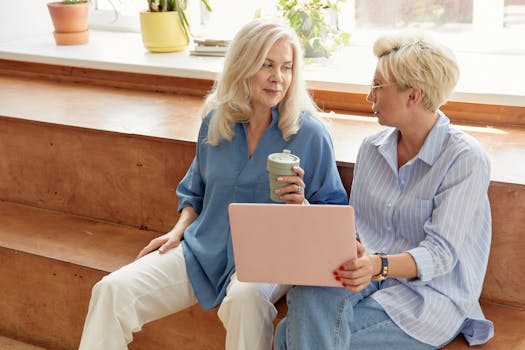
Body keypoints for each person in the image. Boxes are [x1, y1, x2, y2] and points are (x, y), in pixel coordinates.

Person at [79, 18, 348, 350]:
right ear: (243, 64)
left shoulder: (310, 134)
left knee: (245, 299)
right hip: (204, 248)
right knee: (111, 291)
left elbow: (332, 215)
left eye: (287, 67)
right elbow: (195, 191)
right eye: (266, 64)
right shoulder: (217, 122)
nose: (278, 77)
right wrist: (179, 230)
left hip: (271, 257)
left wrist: (302, 206)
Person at [275, 31, 494, 350]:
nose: (369, 96)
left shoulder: (465, 159)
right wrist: (305, 208)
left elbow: (440, 254)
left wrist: (378, 266)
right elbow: (360, 233)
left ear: (413, 95)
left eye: (378, 86)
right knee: (308, 298)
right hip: (369, 279)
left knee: (288, 337)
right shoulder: (371, 149)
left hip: (429, 297)